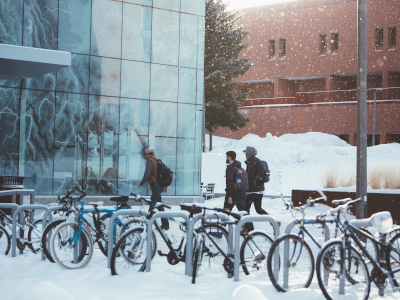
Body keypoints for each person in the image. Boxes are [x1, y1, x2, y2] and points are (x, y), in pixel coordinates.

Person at [138, 148, 169, 230]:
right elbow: (164, 173)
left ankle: (165, 224)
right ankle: (148, 220)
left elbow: (147, 174)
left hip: (156, 186)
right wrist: (165, 186)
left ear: (148, 154)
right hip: (160, 185)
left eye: (145, 155)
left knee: (159, 205)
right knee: (152, 203)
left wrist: (141, 183)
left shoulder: (150, 161)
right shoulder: (158, 159)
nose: (145, 156)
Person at [243, 146, 268, 231]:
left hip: (252, 191)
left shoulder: (251, 163)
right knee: (259, 209)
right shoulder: (257, 161)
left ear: (249, 153)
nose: (245, 154)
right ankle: (273, 221)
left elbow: (249, 179)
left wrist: (244, 188)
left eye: (246, 152)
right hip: (260, 190)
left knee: (245, 210)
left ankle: (249, 229)